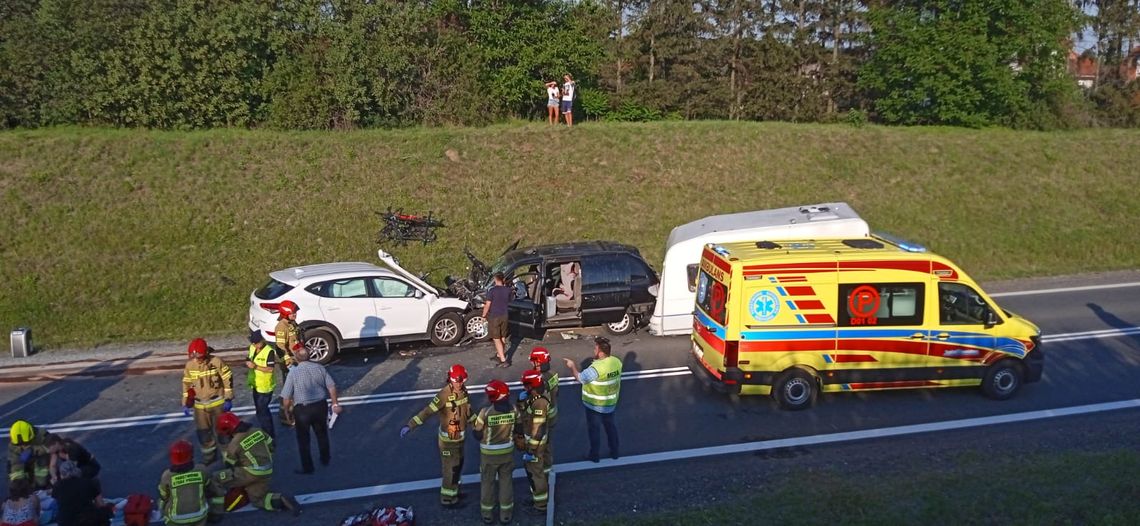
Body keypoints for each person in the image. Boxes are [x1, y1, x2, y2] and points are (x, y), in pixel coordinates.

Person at [399, 364, 470, 508]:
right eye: (457, 381)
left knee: (458, 467)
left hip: (460, 439)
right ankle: (447, 499)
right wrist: (411, 425)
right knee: (450, 470)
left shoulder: (464, 391)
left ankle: (454, 492)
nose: (459, 383)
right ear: (450, 379)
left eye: (462, 381)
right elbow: (427, 412)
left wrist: (478, 424)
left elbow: (468, 411)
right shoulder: (443, 395)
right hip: (448, 442)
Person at [212, 412, 300, 516]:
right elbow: (272, 444)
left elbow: (229, 464)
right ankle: (281, 499)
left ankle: (216, 510)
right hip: (267, 470)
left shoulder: (234, 444)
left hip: (250, 472)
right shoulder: (258, 431)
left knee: (216, 478)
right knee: (258, 500)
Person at [278, 347, 342, 475]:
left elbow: (286, 397)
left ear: (296, 357)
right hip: (320, 406)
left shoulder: (293, 373)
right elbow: (331, 386)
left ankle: (308, 467)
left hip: (302, 410)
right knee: (321, 433)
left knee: (303, 439)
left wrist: (286, 412)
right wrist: (335, 403)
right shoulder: (320, 368)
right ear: (310, 356)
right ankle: (325, 458)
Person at [563, 336, 621, 463]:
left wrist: (572, 366)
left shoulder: (596, 369)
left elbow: (580, 378)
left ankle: (594, 455)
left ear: (600, 352)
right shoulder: (617, 362)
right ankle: (615, 452)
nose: (594, 351)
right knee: (611, 428)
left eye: (595, 349)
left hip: (595, 405)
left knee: (594, 430)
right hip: (610, 403)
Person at [470, 380, 518, 525]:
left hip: (488, 456)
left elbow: (477, 435)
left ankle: (487, 515)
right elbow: (520, 429)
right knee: (506, 483)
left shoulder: (485, 413)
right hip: (507, 454)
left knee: (487, 483)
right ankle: (506, 514)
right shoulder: (514, 410)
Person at [181, 338, 234, 465]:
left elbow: (228, 379)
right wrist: (185, 402)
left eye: (198, 357)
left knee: (223, 433)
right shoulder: (190, 365)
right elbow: (186, 384)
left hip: (217, 403)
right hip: (200, 407)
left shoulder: (216, 362)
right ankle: (209, 457)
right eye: (194, 357)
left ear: (205, 354)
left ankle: (229, 458)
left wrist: (228, 397)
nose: (196, 359)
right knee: (204, 434)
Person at [157, 440, 222, 526]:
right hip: (199, 515)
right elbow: (211, 489)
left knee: (161, 501)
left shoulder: (167, 475)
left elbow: (164, 495)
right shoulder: (201, 469)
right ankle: (215, 515)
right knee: (215, 492)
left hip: (176, 519)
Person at [517, 369, 551, 515]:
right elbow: (524, 413)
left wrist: (531, 450)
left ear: (532, 386)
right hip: (531, 441)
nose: (524, 388)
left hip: (535, 444)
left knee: (536, 472)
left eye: (526, 385)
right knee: (532, 471)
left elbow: (538, 429)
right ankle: (537, 496)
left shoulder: (540, 403)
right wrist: (520, 401)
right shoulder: (534, 397)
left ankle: (541, 504)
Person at [52, 460, 111, 526]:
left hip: (65, 522)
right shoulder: (89, 483)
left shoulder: (58, 485)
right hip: (86, 521)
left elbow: (58, 506)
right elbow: (101, 504)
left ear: (62, 474)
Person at [528, 347, 558, 474]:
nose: (531, 363)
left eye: (533, 361)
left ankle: (542, 472)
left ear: (538, 362)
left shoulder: (539, 380)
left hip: (543, 416)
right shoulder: (554, 374)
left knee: (541, 445)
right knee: (548, 443)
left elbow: (536, 401)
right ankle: (547, 468)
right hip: (553, 413)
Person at [273, 300, 301, 427]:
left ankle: (295, 412)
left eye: (295, 312)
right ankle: (286, 416)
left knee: (295, 390)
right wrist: (289, 362)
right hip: (289, 362)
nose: (295, 314)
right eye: (293, 313)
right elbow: (280, 347)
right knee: (288, 390)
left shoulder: (291, 323)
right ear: (285, 314)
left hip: (296, 360)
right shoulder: (281, 327)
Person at [245, 330, 277, 439]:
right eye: (253, 343)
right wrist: (248, 362)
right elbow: (249, 358)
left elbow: (270, 369)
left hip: (265, 388)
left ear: (261, 341)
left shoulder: (269, 352)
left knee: (264, 413)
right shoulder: (252, 347)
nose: (254, 345)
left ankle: (269, 436)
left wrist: (255, 367)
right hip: (255, 385)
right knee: (259, 411)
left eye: (256, 343)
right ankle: (265, 432)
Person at [7, 420, 54, 490]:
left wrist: (33, 450)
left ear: (31, 434)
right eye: (19, 444)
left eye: (25, 443)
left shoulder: (42, 435)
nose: (23, 446)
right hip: (26, 464)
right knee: (14, 475)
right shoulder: (13, 445)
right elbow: (15, 464)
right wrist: (18, 483)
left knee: (42, 482)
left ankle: (43, 485)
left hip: (41, 459)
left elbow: (51, 447)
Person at [482, 272, 512, 367]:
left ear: (495, 279)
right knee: (502, 337)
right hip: (505, 316)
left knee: (496, 338)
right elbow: (510, 301)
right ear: (503, 279)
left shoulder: (492, 291)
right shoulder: (508, 290)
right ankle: (499, 354)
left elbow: (487, 305)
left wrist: (483, 315)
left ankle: (503, 360)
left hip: (495, 316)